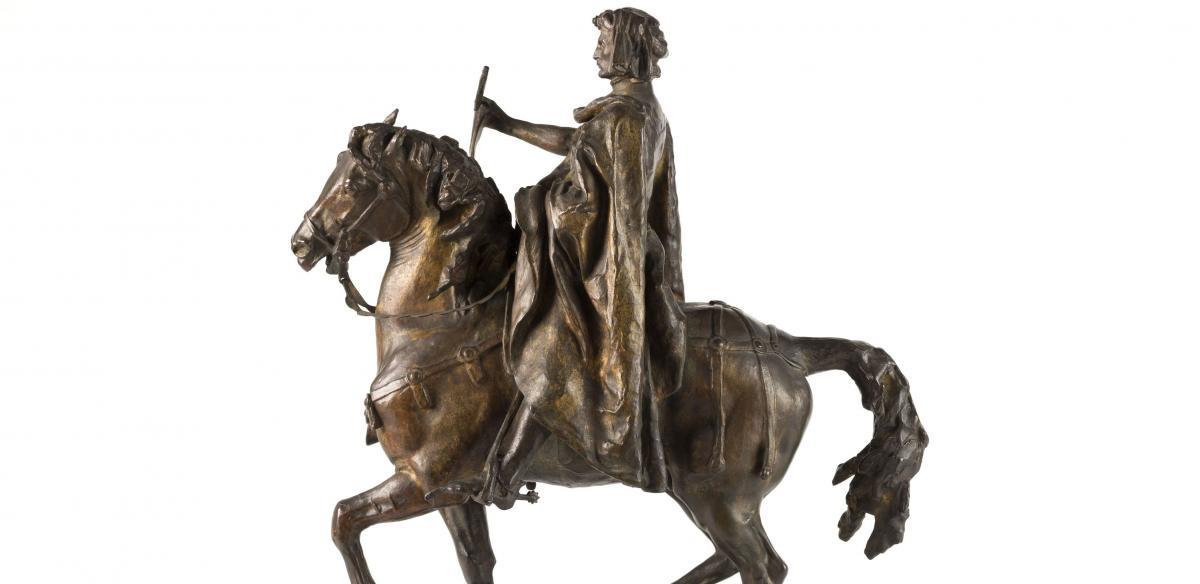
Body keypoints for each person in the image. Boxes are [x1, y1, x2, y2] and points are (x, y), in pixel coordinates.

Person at [476, 7, 686, 505]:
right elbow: (578, 149)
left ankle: (507, 470)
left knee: (555, 346)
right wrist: (506, 124)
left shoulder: (629, 117)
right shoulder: (625, 112)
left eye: (604, 42)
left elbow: (612, 212)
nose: (596, 52)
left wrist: (550, 205)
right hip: (605, 255)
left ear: (626, 48)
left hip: (608, 265)